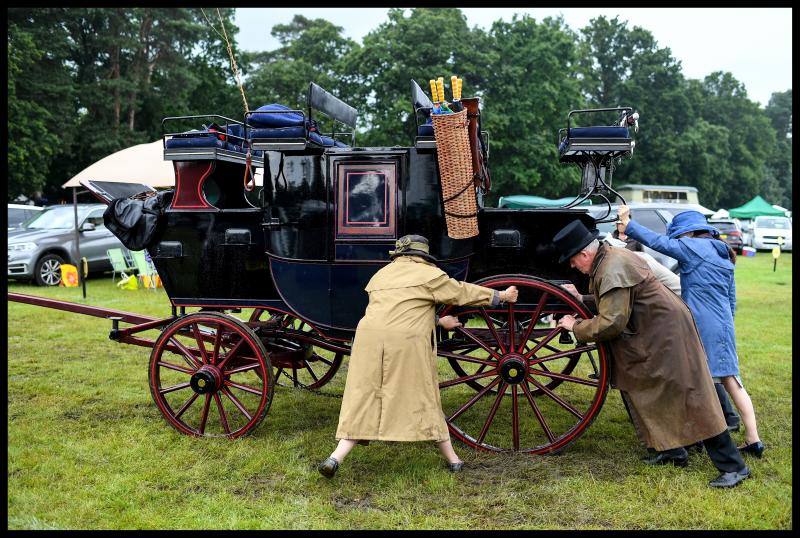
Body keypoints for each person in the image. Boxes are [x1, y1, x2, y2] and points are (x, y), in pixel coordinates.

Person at [552, 219, 750, 488]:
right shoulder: (609, 259)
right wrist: (581, 299)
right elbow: (618, 301)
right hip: (654, 332)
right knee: (635, 386)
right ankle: (671, 450)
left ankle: (734, 467)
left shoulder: (612, 266)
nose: (573, 266)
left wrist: (575, 326)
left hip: (666, 335)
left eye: (573, 261)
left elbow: (612, 322)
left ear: (584, 254)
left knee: (693, 396)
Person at [318, 234, 518, 478]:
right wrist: (500, 296)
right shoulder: (428, 275)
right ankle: (454, 460)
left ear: (399, 255)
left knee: (366, 395)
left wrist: (438, 321)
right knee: (424, 394)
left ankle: (335, 457)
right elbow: (460, 292)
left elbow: (399, 309)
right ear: (423, 256)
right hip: (405, 343)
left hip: (368, 340)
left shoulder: (382, 275)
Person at [617, 207, 763, 458]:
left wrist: (629, 224)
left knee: (697, 381)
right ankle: (753, 439)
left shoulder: (692, 248)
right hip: (724, 323)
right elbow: (731, 298)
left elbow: (658, 242)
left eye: (680, 236)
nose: (678, 240)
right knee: (732, 381)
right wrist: (725, 325)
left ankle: (700, 438)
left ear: (690, 233)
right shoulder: (724, 254)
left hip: (700, 323)